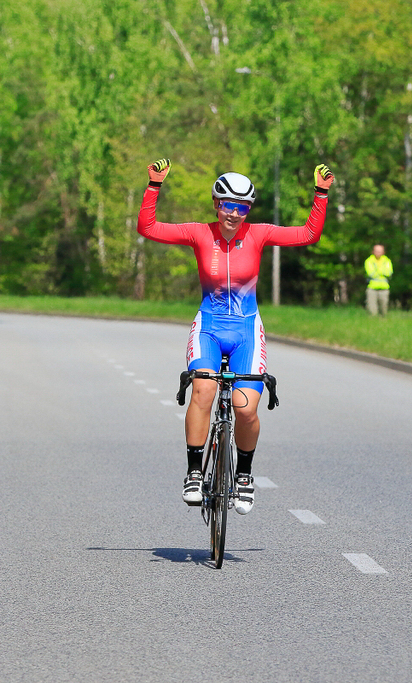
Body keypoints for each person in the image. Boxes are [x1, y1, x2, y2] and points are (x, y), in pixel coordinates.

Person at [138, 158, 334, 514]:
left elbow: (308, 235)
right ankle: (194, 472)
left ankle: (243, 475)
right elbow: (148, 228)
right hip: (209, 327)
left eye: (242, 207)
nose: (234, 213)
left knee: (245, 409)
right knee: (203, 390)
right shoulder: (199, 233)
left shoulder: (258, 234)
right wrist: (154, 186)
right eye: (228, 205)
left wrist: (320, 194)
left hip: (246, 330)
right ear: (216, 203)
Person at [364, 243, 393, 316]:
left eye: (380, 251)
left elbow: (389, 273)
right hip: (372, 288)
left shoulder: (387, 261)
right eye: (376, 251)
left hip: (384, 288)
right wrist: (382, 272)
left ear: (383, 252)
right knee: (372, 310)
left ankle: (382, 321)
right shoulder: (369, 261)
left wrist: (377, 271)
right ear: (373, 251)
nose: (378, 253)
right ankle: (373, 321)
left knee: (383, 309)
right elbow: (370, 273)